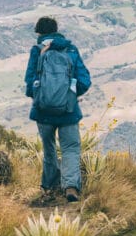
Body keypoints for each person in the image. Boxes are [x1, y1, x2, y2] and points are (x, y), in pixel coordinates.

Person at [24, 16, 91, 202]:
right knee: (70, 148)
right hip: (68, 111)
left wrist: (42, 97)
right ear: (57, 30)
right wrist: (69, 95)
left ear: (39, 32)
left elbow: (29, 83)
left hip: (43, 111)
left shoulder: (37, 51)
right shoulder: (70, 49)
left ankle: (50, 187)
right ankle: (70, 187)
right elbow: (85, 80)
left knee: (49, 148)